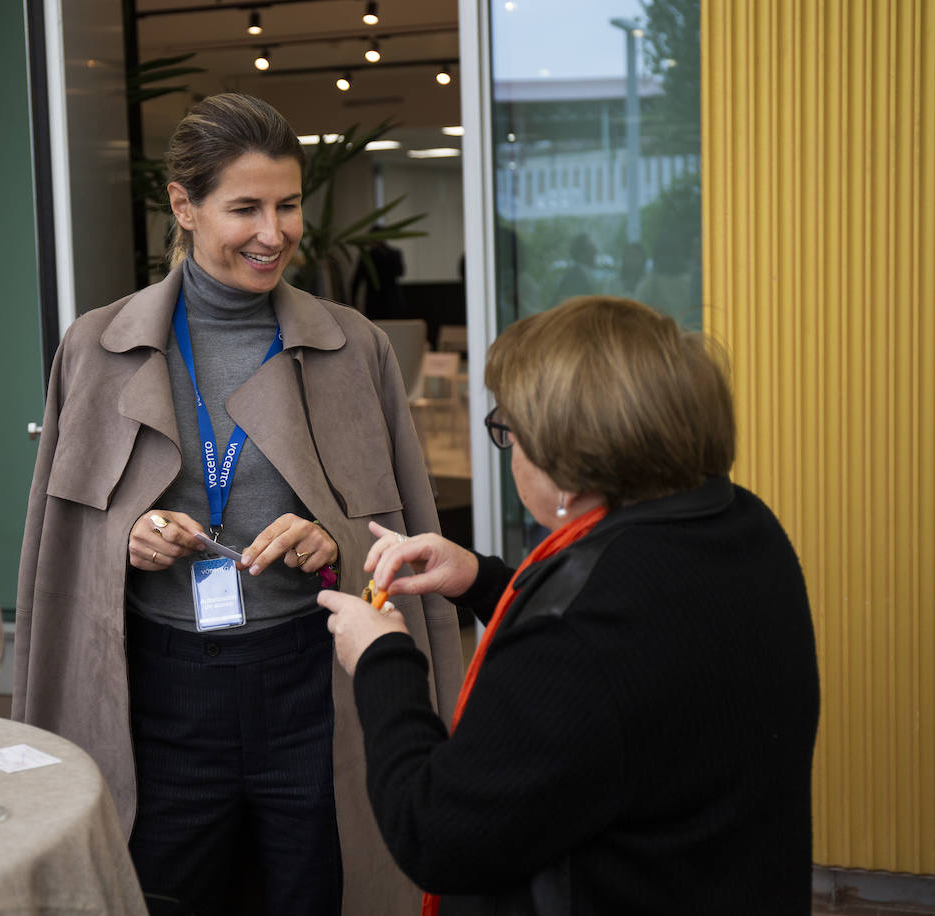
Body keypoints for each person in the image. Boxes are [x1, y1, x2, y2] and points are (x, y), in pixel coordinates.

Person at [13, 92, 463, 916]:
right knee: (165, 894)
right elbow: (64, 544)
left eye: (288, 205)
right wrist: (130, 537)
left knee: (323, 890)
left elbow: (403, 532)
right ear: (184, 207)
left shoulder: (352, 346)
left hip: (313, 682)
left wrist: (327, 536)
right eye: (245, 208)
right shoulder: (96, 347)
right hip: (162, 691)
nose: (274, 232)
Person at [319, 295, 820, 915]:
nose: (510, 451)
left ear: (569, 470)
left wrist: (382, 659)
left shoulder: (588, 635)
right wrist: (482, 579)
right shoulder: (740, 525)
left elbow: (438, 833)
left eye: (509, 432)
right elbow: (636, 672)